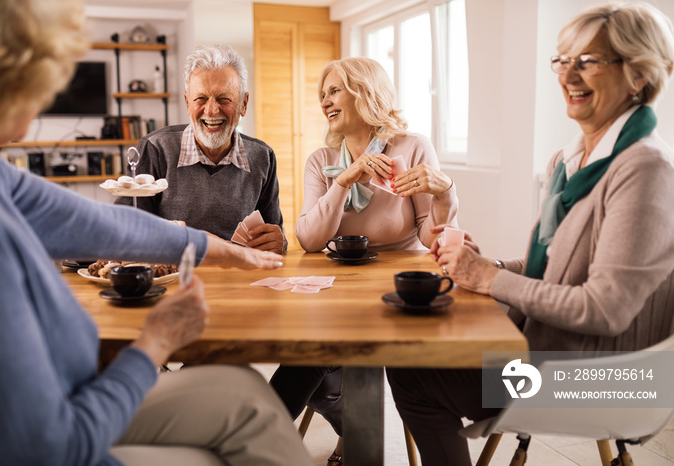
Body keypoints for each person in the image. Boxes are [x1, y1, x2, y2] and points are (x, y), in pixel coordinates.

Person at [0, 1, 315, 465]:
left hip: (79, 389)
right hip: (71, 427)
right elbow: (49, 445)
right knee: (232, 434)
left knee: (244, 387)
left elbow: (98, 222)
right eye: (49, 77)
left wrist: (217, 249)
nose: (48, 97)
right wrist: (153, 343)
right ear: (8, 80)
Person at [386, 2, 674, 464]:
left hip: (603, 379)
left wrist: (490, 280)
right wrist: (489, 266)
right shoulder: (569, 161)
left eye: (590, 61)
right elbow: (556, 271)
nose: (569, 75)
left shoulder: (644, 170)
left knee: (412, 371)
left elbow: (604, 309)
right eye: (563, 60)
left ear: (640, 74)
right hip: (548, 353)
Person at [269, 57, 459, 465]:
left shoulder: (412, 147)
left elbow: (431, 234)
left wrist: (445, 194)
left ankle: (282, 434)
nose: (325, 101)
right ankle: (256, 437)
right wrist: (344, 180)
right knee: (308, 354)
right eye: (323, 95)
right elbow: (310, 239)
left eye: (334, 90)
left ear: (365, 92)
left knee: (327, 364)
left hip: (402, 290)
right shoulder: (322, 161)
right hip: (340, 291)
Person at [115, 44, 286, 254]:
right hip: (174, 278)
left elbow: (272, 238)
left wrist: (278, 242)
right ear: (188, 103)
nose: (212, 110)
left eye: (224, 99)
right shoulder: (155, 149)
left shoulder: (263, 157)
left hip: (238, 280)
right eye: (200, 99)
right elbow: (125, 231)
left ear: (243, 103)